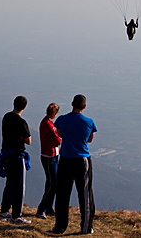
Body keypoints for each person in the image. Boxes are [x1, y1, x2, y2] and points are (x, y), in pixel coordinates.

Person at [52, 94, 97, 235]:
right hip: (82, 160)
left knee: (62, 194)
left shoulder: (61, 120)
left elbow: (59, 134)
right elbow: (90, 139)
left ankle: (59, 227)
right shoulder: (89, 122)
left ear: (72, 104)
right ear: (84, 106)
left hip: (65, 158)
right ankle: (86, 227)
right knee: (85, 195)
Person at [0, 96, 31, 224]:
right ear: (24, 107)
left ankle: (4, 211)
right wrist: (21, 137)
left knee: (10, 184)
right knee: (19, 186)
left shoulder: (6, 117)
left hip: (6, 155)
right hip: (17, 156)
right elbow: (29, 140)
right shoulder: (21, 122)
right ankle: (17, 215)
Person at [36, 103, 62, 219]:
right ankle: (41, 209)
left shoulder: (47, 122)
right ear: (55, 113)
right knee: (53, 184)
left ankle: (49, 207)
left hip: (51, 155)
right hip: (49, 157)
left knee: (50, 182)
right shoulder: (48, 124)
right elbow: (55, 140)